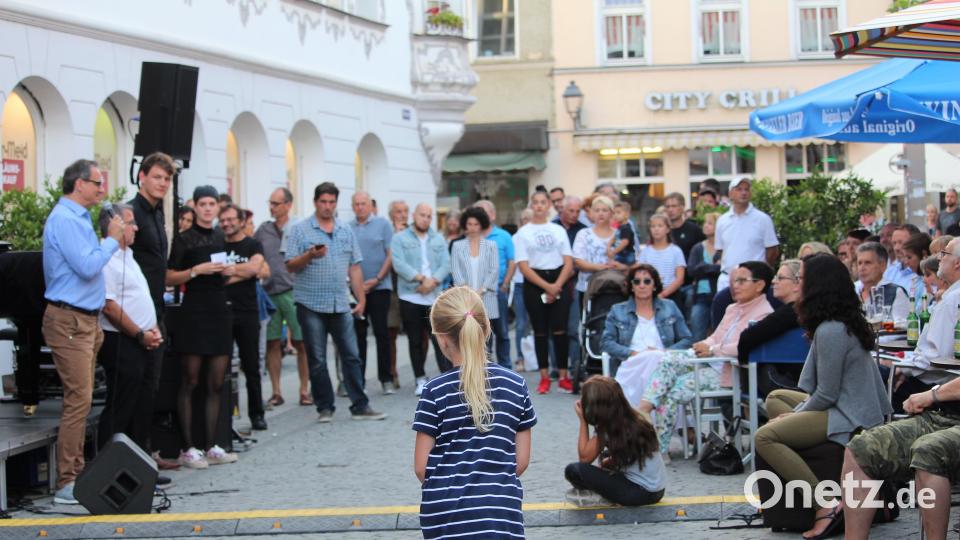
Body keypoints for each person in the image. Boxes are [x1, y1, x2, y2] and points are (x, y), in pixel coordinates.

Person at [756, 253, 892, 540]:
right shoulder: (836, 322)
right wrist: (795, 413)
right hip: (847, 403)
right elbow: (816, 390)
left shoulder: (832, 329)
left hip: (850, 414)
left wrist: (794, 416)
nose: (797, 282)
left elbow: (826, 394)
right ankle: (797, 469)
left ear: (817, 284)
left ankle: (825, 503)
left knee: (764, 437)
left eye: (802, 277)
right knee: (775, 399)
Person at [413, 287, 535, 539]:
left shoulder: (434, 391)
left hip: (444, 511)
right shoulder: (515, 384)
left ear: (442, 338)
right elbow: (520, 461)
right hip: (499, 511)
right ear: (486, 327)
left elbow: (421, 467)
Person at [43, 159, 123, 504]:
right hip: (70, 321)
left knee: (83, 399)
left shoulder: (77, 218)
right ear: (79, 184)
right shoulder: (65, 220)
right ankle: (67, 481)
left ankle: (76, 473)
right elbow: (89, 265)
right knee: (79, 401)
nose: (102, 190)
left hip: (84, 320)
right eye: (97, 183)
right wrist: (112, 241)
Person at [638, 261, 774, 456]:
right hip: (710, 363)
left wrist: (712, 349)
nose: (734, 285)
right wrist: (703, 345)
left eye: (741, 281)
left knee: (674, 391)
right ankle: (645, 408)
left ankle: (659, 448)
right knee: (668, 358)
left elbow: (741, 347)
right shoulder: (732, 309)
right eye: (733, 280)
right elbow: (716, 336)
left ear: (759, 285)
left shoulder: (764, 313)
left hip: (730, 373)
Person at [285, 182, 385, 422]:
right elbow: (289, 265)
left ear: (336, 204)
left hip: (340, 302)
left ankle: (360, 405)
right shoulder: (300, 230)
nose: (327, 206)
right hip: (310, 303)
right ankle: (325, 407)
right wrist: (309, 255)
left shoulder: (345, 230)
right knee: (317, 358)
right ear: (315, 202)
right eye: (323, 202)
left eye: (331, 202)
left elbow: (355, 266)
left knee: (351, 355)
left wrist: (360, 298)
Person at [165, 186, 238, 468]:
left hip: (219, 308)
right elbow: (168, 276)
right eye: (203, 204)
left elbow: (227, 275)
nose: (208, 208)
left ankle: (212, 445)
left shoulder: (221, 236)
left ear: (218, 207)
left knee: (217, 382)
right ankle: (187, 446)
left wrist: (229, 272)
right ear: (194, 206)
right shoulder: (184, 239)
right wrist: (197, 271)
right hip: (193, 310)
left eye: (212, 204)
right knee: (190, 380)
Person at [841, 375, 960, 540]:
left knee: (929, 450)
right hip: (942, 413)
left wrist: (932, 394)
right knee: (861, 448)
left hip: (943, 407)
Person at [97, 203, 165, 448]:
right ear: (115, 224)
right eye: (130, 222)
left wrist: (152, 327)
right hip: (123, 341)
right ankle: (109, 471)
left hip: (143, 340)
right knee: (121, 407)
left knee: (141, 406)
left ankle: (138, 469)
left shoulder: (129, 257)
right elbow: (110, 306)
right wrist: (139, 333)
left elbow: (140, 298)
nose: (136, 227)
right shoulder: (107, 260)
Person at [126, 152, 177, 471]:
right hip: (135, 312)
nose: (163, 183)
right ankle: (135, 458)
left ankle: (146, 453)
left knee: (152, 386)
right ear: (142, 177)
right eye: (157, 177)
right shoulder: (132, 213)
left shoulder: (157, 214)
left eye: (167, 179)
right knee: (138, 386)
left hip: (156, 306)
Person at [565, 376, 665, 507]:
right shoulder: (634, 416)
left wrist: (583, 420)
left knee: (574, 470)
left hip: (639, 493)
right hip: (657, 490)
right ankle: (610, 493)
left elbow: (584, 458)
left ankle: (603, 498)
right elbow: (631, 453)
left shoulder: (607, 427)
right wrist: (611, 462)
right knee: (606, 456)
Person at [887, 237, 960, 413]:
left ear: (957, 263)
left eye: (944, 253)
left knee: (881, 380)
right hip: (937, 381)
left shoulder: (952, 300)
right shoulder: (950, 297)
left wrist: (904, 369)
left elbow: (936, 357)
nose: (939, 258)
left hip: (936, 386)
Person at [254, 188, 311, 408]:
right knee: (272, 343)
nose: (272, 207)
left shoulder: (299, 227)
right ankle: (276, 391)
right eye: (271, 203)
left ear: (288, 204)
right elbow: (255, 253)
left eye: (276, 203)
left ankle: (304, 390)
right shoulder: (263, 230)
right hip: (270, 293)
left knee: (301, 342)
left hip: (293, 291)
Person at [603, 265, 692, 402]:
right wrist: (633, 353)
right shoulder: (617, 310)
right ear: (631, 286)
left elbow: (686, 339)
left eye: (647, 281)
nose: (642, 285)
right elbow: (606, 342)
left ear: (655, 285)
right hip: (631, 363)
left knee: (655, 357)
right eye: (637, 282)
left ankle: (642, 414)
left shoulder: (670, 306)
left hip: (664, 361)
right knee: (653, 358)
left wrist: (666, 352)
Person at [516, 189, 575, 394]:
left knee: (560, 330)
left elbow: (568, 261)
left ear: (549, 205)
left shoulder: (558, 230)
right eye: (536, 202)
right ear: (531, 205)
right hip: (535, 282)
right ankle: (544, 377)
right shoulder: (523, 233)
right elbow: (523, 266)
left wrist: (557, 285)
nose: (540, 206)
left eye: (543, 202)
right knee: (540, 331)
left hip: (559, 278)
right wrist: (546, 287)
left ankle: (563, 375)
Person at [391, 202, 452, 396]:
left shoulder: (438, 239)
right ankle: (420, 378)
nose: (425, 219)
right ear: (414, 216)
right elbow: (398, 263)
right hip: (411, 294)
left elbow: (446, 263)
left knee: (440, 339)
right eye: (422, 215)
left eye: (428, 216)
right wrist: (421, 279)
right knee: (415, 340)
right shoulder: (399, 238)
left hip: (434, 296)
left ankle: (448, 378)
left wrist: (432, 281)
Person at [221, 204, 269, 431]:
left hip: (247, 312)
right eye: (224, 220)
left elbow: (255, 269)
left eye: (231, 219)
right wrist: (243, 270)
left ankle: (257, 414)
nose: (227, 223)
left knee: (251, 366)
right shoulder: (217, 243)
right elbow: (218, 278)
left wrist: (230, 271)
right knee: (222, 368)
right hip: (222, 312)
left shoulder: (252, 244)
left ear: (241, 221)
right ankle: (225, 417)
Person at [736, 259, 804, 398]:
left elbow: (747, 338)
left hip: (790, 384)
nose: (774, 281)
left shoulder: (793, 311)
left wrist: (742, 360)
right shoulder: (795, 310)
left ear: (797, 283)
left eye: (780, 278)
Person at [349, 191, 395, 395]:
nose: (360, 207)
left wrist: (377, 279)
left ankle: (386, 378)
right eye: (356, 204)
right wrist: (357, 284)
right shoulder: (347, 227)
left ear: (370, 205)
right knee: (357, 336)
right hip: (355, 289)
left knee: (382, 333)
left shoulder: (383, 225)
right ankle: (359, 380)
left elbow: (390, 255)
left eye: (363, 203)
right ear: (352, 206)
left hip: (379, 287)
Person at [714, 176, 780, 291]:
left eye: (746, 189)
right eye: (739, 189)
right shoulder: (722, 220)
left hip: (753, 281)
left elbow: (772, 250)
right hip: (727, 279)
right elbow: (720, 250)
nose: (743, 193)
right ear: (730, 194)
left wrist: (762, 272)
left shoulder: (763, 219)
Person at [474, 200, 516, 369]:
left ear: (492, 215)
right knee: (483, 333)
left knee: (502, 332)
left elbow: (512, 262)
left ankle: (506, 368)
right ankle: (486, 369)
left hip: (498, 290)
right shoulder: (472, 236)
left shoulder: (504, 236)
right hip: (478, 293)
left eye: (485, 212)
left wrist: (505, 284)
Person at [450, 207, 499, 345]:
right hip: (466, 299)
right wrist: (469, 291)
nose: (472, 228)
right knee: (466, 339)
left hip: (486, 297)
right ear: (465, 224)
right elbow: (455, 270)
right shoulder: (457, 246)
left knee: (487, 339)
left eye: (476, 224)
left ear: (481, 224)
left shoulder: (491, 245)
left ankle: (487, 367)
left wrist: (481, 291)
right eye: (469, 224)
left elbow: (494, 270)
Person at [573, 196, 625, 303]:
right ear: (591, 213)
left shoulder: (620, 234)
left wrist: (620, 266)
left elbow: (630, 261)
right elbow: (578, 261)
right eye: (597, 210)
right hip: (588, 288)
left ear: (611, 213)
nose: (600, 213)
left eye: (604, 210)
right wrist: (600, 268)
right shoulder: (583, 234)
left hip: (616, 287)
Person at [637, 213, 686, 309]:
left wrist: (663, 294)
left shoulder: (676, 251)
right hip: (649, 296)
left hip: (671, 296)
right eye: (653, 226)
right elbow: (640, 274)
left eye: (660, 226)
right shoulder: (645, 251)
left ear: (667, 229)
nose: (656, 229)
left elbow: (679, 279)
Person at [386, 200, 410, 389]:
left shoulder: (414, 232)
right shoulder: (388, 234)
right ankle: (392, 371)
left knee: (419, 335)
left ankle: (419, 371)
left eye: (405, 211)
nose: (402, 215)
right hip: (393, 288)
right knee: (391, 332)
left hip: (413, 289)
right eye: (398, 212)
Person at [854, 242, 911, 323]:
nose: (862, 268)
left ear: (882, 265)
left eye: (867, 263)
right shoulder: (853, 292)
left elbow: (902, 328)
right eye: (859, 263)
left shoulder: (896, 292)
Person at [686, 212, 721, 341]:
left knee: (719, 333)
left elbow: (725, 269)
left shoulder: (724, 247)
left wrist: (703, 267)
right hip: (701, 296)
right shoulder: (698, 248)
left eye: (710, 223)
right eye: (705, 223)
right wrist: (713, 267)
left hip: (719, 295)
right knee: (697, 333)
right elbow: (691, 270)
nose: (705, 226)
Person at [513, 208, 533, 368]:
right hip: (520, 284)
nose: (527, 222)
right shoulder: (516, 238)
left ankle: (535, 357)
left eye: (530, 219)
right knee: (521, 323)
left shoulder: (535, 237)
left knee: (537, 324)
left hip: (536, 283)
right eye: (524, 219)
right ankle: (520, 357)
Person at [663, 192, 705, 260]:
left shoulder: (694, 230)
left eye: (674, 206)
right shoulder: (663, 231)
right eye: (668, 207)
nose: (670, 210)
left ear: (682, 207)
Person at [901, 232, 932, 302]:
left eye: (909, 257)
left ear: (924, 254)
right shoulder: (915, 280)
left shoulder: (932, 283)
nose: (906, 262)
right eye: (905, 257)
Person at [608, 201, 637, 266]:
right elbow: (614, 238)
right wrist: (609, 246)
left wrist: (613, 252)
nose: (615, 215)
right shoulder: (620, 227)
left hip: (627, 255)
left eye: (618, 213)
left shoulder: (626, 228)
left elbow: (624, 242)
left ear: (627, 215)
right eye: (614, 213)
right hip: (620, 254)